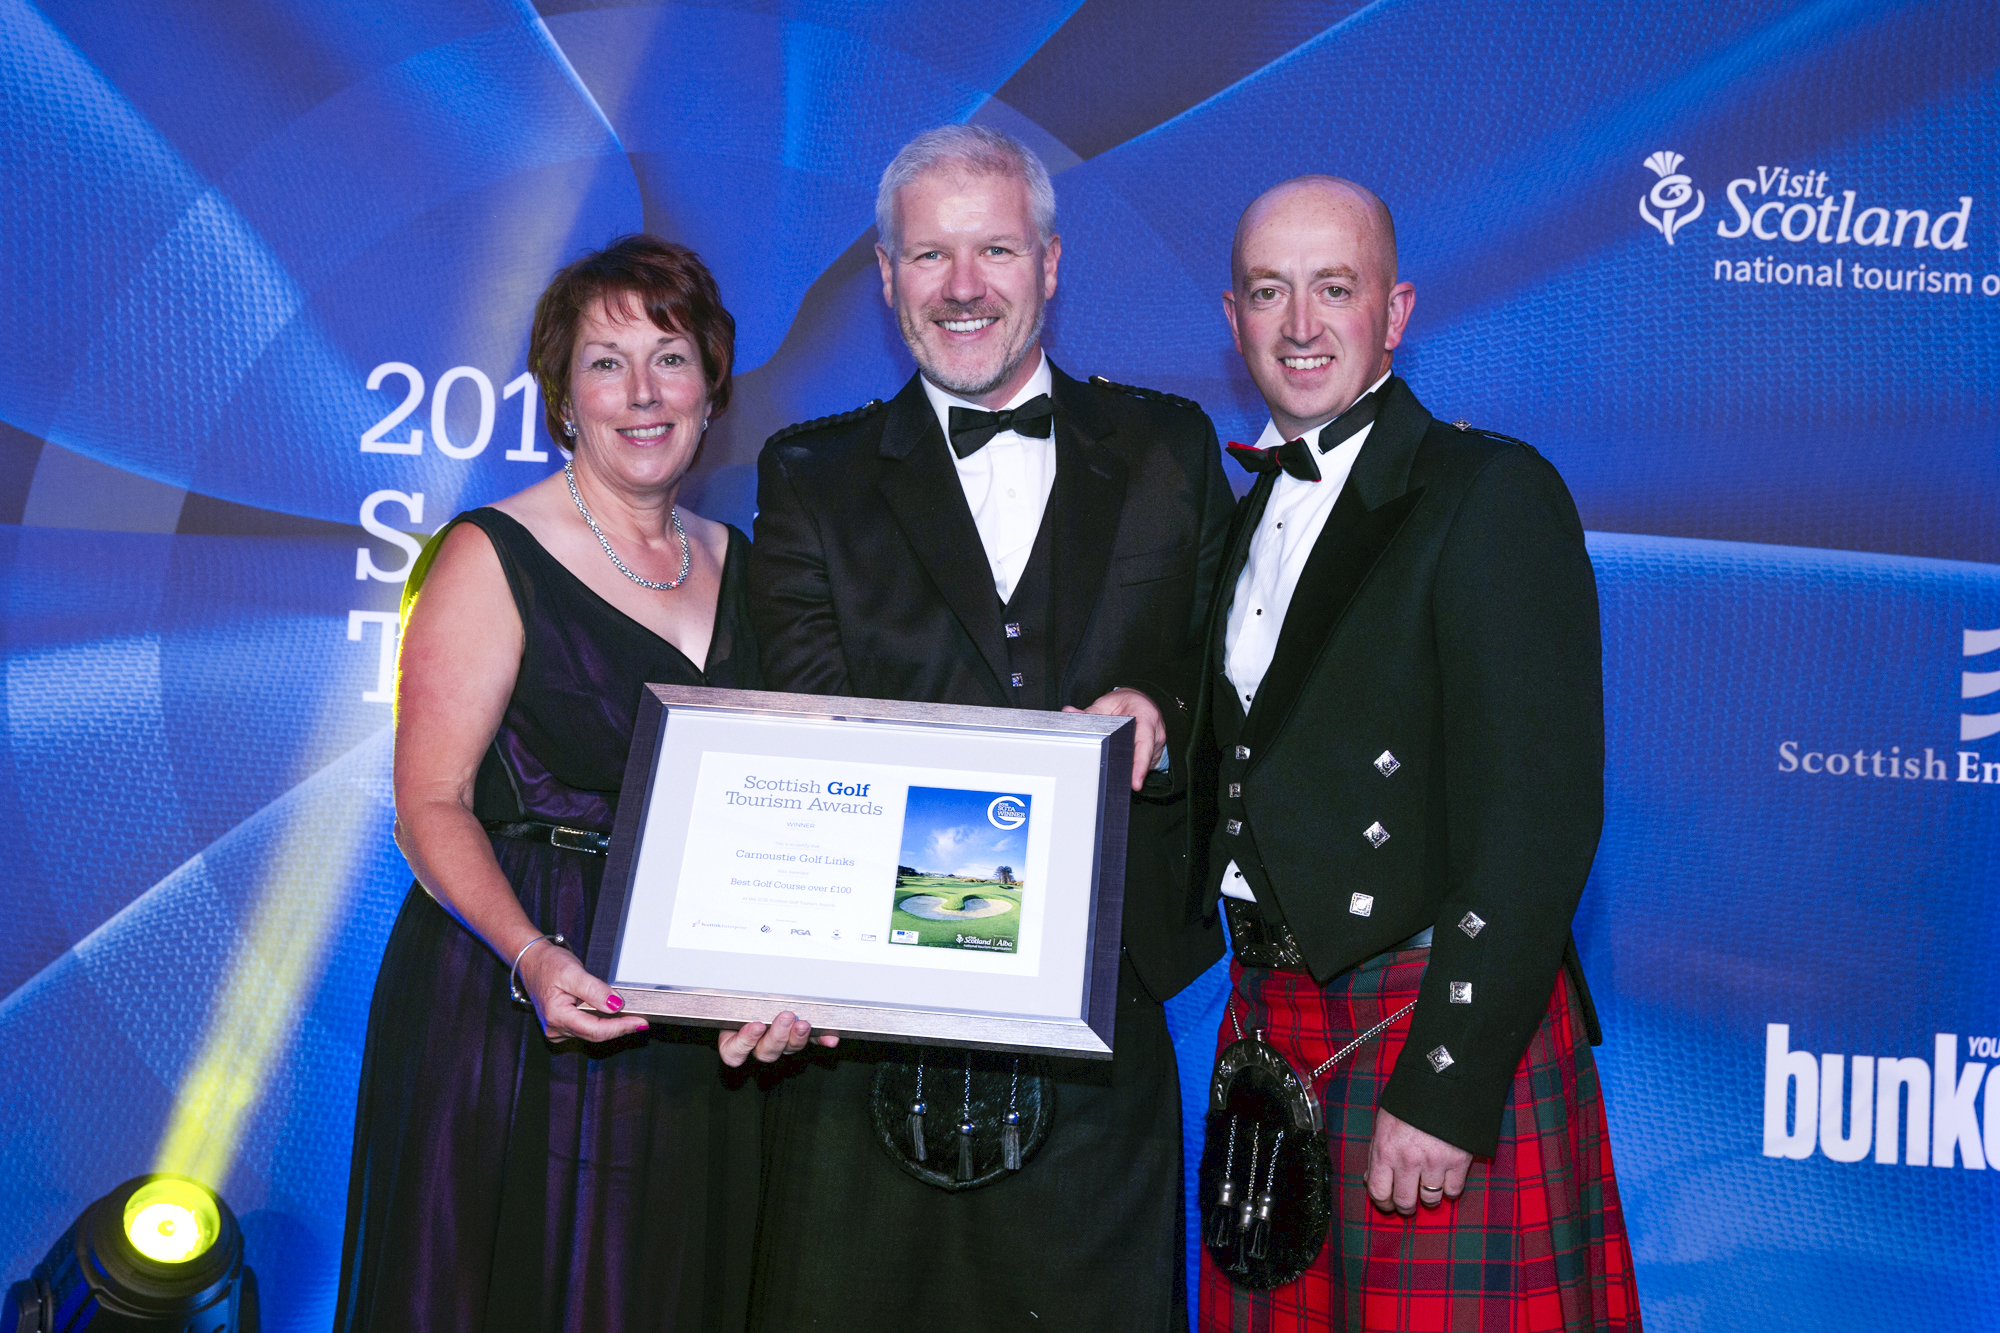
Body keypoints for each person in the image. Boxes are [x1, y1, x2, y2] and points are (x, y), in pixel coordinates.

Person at [742, 125, 1233, 1330]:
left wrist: (1161, 714)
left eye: (995, 249)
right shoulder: (809, 473)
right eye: (930, 256)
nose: (962, 287)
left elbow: (1234, 686)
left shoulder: (1169, 450)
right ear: (884, 273)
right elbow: (806, 730)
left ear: (1051, 265)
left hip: (1100, 1013)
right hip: (861, 1030)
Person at [1191, 177, 1642, 1330]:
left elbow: (1540, 816)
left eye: (1331, 290)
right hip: (1268, 1022)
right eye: (1267, 292)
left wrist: (1448, 1084)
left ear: (1392, 312)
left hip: (1413, 1020)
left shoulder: (1485, 493)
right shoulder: (1237, 515)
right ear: (1233, 314)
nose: (1299, 326)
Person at [335, 235, 776, 1331]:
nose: (641, 393)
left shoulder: (756, 566)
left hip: (687, 1012)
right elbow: (428, 803)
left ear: (711, 390)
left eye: (669, 359)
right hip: (510, 997)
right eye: (605, 362)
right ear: (562, 397)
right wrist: (533, 955)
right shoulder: (488, 553)